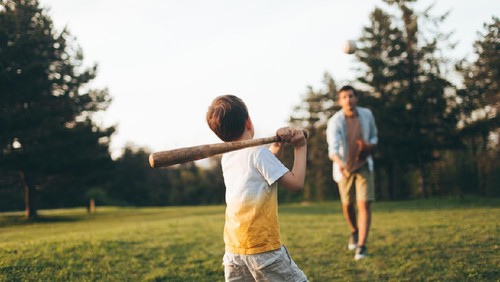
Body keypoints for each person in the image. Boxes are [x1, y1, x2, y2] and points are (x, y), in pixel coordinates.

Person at [206, 94, 308, 281]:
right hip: (263, 249)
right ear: (249, 122)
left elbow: (260, 171)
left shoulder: (227, 157)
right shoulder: (259, 154)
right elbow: (296, 183)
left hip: (234, 251)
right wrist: (300, 147)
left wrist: (277, 145)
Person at [326, 85, 378, 260]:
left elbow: (374, 138)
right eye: (344, 97)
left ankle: (361, 246)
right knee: (347, 205)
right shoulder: (335, 121)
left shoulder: (367, 114)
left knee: (364, 204)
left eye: (351, 96)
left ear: (356, 98)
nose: (348, 100)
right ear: (340, 101)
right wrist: (341, 164)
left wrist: (369, 146)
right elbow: (333, 149)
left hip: (364, 165)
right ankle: (354, 231)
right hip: (344, 168)